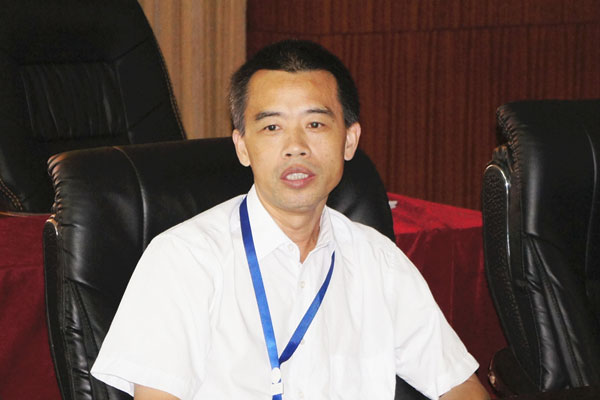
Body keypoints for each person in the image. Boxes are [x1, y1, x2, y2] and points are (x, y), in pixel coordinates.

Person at [91, 39, 490, 400]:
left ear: (349, 140)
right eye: (272, 127)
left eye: (315, 124)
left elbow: (459, 385)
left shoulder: (378, 261)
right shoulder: (184, 259)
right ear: (242, 146)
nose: (295, 147)